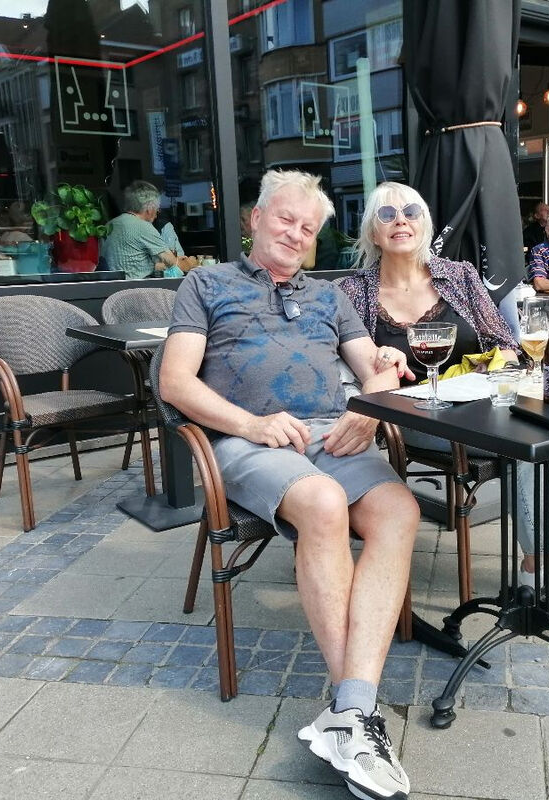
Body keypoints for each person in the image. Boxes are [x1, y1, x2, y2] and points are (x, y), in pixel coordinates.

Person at [159, 170, 418, 800]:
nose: (296, 234)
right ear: (255, 218)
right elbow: (175, 382)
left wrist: (371, 401)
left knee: (399, 510)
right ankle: (357, 716)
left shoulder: (330, 297)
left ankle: (349, 711)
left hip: (331, 433)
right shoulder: (206, 284)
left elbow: (377, 370)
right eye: (285, 219)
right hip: (244, 439)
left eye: (308, 228)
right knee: (324, 503)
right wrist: (251, 424)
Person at [339, 182, 549, 611]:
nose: (400, 221)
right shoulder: (353, 291)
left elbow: (505, 342)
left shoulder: (459, 275)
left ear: (425, 223)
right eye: (386, 215)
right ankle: (537, 567)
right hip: (415, 414)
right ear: (373, 231)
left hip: (482, 399)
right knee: (524, 444)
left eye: (410, 211)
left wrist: (495, 364)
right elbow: (351, 360)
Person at [104, 181, 181, 279]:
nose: (157, 213)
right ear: (149, 208)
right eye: (157, 208)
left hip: (111, 285)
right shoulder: (144, 226)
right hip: (137, 286)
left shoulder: (109, 225)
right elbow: (172, 262)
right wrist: (190, 263)